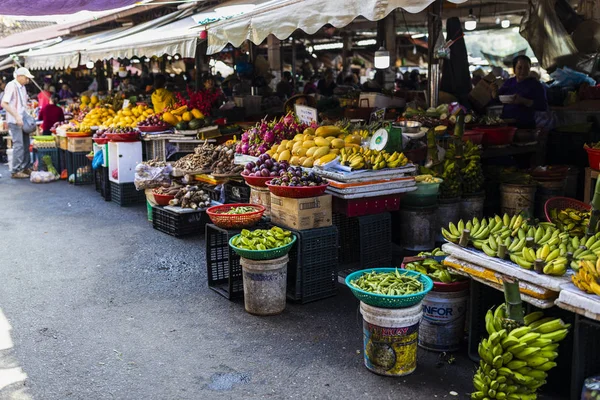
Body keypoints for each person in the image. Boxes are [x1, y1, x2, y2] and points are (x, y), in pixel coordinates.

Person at [492, 55, 548, 129]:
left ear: (529, 69)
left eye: (526, 68)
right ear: (514, 69)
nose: (523, 71)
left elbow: (543, 106)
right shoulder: (509, 82)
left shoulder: (536, 85)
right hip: (507, 124)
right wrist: (494, 92)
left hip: (525, 125)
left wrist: (524, 101)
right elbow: (497, 99)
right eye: (519, 68)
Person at [1, 67, 34, 178]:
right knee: (19, 145)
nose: (27, 80)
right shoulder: (11, 85)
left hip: (22, 119)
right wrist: (16, 116)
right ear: (19, 76)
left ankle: (26, 167)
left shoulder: (22, 87)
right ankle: (16, 170)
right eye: (26, 78)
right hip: (14, 120)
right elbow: (4, 104)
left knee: (25, 144)